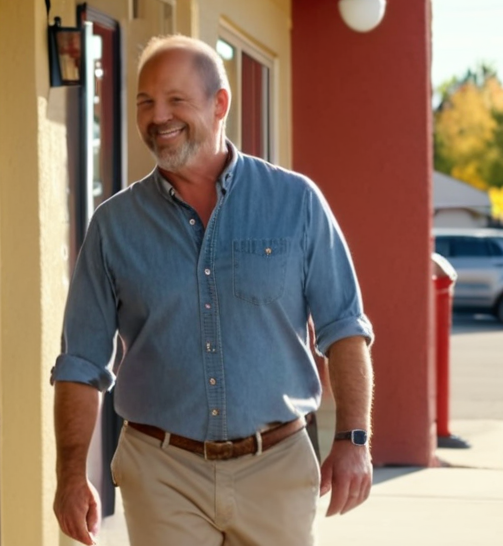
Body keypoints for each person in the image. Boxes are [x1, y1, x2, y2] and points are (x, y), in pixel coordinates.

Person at [51, 34, 375, 546]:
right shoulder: (113, 226)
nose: (159, 116)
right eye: (145, 102)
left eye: (176, 100)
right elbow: (81, 363)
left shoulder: (296, 202)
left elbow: (344, 329)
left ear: (219, 103)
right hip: (161, 472)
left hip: (277, 465)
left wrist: (353, 439)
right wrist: (70, 474)